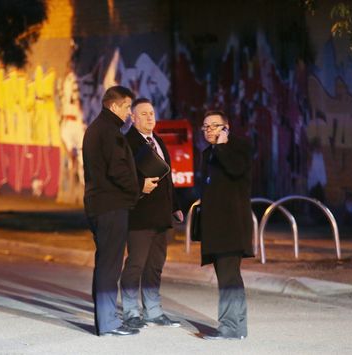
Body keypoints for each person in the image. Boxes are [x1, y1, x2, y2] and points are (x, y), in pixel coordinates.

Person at [120, 98, 183, 329]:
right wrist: (139, 185)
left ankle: (153, 311)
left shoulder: (158, 141)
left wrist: (175, 206)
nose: (149, 117)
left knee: (155, 264)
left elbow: (168, 180)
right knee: (136, 263)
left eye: (152, 113)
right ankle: (130, 311)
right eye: (144, 114)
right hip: (138, 215)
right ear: (133, 118)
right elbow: (118, 177)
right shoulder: (125, 143)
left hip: (161, 214)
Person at [82, 86, 140, 336]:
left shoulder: (96, 128)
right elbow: (118, 170)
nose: (129, 113)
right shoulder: (110, 132)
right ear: (114, 106)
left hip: (98, 204)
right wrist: (136, 189)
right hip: (111, 205)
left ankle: (105, 319)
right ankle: (108, 322)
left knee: (104, 262)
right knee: (110, 264)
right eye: (127, 107)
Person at [198, 110, 253, 340]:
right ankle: (238, 327)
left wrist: (222, 146)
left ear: (226, 127)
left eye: (214, 125)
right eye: (205, 127)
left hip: (232, 225)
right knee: (229, 276)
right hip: (215, 227)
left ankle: (229, 326)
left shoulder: (239, 147)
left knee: (229, 276)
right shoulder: (207, 153)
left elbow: (235, 169)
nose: (209, 130)